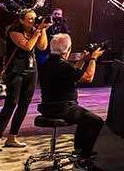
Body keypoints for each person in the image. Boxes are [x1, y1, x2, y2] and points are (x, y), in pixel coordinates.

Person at [38, 34, 105, 168]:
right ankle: (84, 158)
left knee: (84, 120)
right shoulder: (62, 65)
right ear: (67, 50)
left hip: (47, 106)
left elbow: (72, 74)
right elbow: (87, 78)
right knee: (96, 121)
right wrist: (93, 59)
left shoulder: (47, 63)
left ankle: (79, 153)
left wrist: (82, 60)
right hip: (63, 108)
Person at [0, 8, 49, 154]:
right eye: (29, 18)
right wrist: (37, 31)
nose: (33, 21)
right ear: (21, 20)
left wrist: (43, 29)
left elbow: (43, 46)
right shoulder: (13, 30)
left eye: (34, 18)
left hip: (31, 70)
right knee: (11, 104)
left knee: (24, 105)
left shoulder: (36, 28)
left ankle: (12, 137)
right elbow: (27, 46)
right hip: (15, 71)